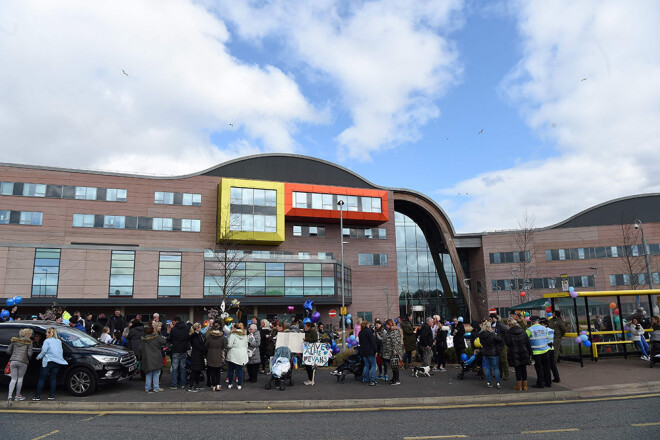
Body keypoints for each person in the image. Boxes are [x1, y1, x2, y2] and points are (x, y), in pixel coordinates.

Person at [33, 327, 68, 401]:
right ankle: (52, 395)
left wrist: (38, 357)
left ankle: (37, 396)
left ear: (49, 333)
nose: (45, 334)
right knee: (53, 378)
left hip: (48, 361)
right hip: (57, 361)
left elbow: (44, 350)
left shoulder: (47, 341)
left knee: (42, 378)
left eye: (46, 332)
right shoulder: (58, 341)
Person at [6, 328, 33, 406]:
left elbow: (8, 351)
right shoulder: (29, 342)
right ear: (28, 334)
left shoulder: (14, 341)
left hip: (13, 361)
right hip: (23, 362)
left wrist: (14, 355)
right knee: (20, 378)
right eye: (30, 334)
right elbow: (29, 354)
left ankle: (9, 396)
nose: (31, 335)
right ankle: (17, 396)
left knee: (13, 379)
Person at [505, 317, 532, 391]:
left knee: (517, 369)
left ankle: (519, 386)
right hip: (524, 351)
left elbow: (508, 343)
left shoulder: (508, 333)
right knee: (524, 369)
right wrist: (530, 352)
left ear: (510, 325)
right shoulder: (523, 331)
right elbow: (527, 343)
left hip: (514, 352)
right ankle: (525, 386)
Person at [527, 316, 552, 389]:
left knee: (539, 368)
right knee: (547, 367)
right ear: (538, 320)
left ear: (531, 321)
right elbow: (547, 337)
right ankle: (548, 383)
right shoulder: (544, 328)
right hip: (545, 350)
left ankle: (540, 383)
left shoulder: (529, 330)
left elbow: (526, 339)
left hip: (536, 352)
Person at [140, 324, 166, 393]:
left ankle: (147, 388)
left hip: (147, 358)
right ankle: (156, 388)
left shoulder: (143, 340)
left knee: (148, 373)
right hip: (156, 357)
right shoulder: (156, 337)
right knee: (156, 373)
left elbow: (140, 349)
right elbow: (164, 342)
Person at [478, 321, 503, 389]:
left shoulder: (481, 335)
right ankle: (498, 383)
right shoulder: (492, 334)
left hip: (485, 352)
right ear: (490, 327)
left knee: (488, 368)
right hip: (493, 352)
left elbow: (481, 343)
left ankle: (489, 382)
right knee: (496, 368)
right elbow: (499, 340)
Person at [168, 316, 191, 390]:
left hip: (175, 350)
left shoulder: (174, 329)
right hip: (184, 350)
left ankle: (174, 384)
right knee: (183, 367)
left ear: (175, 321)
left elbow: (170, 339)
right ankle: (183, 383)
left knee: (174, 368)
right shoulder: (186, 328)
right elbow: (190, 327)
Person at [226, 323, 248, 389]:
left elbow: (230, 345)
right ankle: (239, 385)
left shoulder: (233, 335)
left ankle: (230, 384)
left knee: (231, 370)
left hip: (233, 353)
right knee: (239, 370)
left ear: (235, 328)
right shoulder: (245, 335)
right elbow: (246, 345)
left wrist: (226, 347)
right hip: (242, 353)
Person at [205, 322, 226, 391]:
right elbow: (224, 345)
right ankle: (218, 385)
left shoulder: (209, 336)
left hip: (211, 354)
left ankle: (213, 386)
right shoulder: (222, 337)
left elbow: (206, 345)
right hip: (218, 354)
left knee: (212, 371)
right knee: (218, 371)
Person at [382, 319, 402, 385]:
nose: (386, 326)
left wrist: (395, 350)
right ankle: (394, 378)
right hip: (390, 351)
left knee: (395, 365)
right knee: (393, 366)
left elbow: (395, 341)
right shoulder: (390, 331)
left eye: (387, 324)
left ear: (390, 324)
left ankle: (397, 379)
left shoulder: (394, 331)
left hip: (393, 351)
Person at [358, 321, 378, 385]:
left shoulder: (360, 332)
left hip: (363, 351)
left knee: (366, 365)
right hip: (370, 351)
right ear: (367, 325)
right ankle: (372, 380)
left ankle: (366, 378)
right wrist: (376, 350)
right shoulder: (369, 332)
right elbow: (372, 342)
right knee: (373, 365)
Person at [540, 318, 561, 383]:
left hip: (546, 349)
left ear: (543, 323)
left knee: (545, 365)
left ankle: (545, 379)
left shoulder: (544, 330)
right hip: (551, 348)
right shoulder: (551, 330)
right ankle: (557, 378)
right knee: (552, 365)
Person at [188, 323, 207, 392]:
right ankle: (191, 386)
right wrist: (204, 350)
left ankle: (196, 384)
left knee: (198, 370)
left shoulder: (199, 334)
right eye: (200, 327)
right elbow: (197, 345)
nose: (201, 329)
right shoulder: (194, 336)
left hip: (199, 354)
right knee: (194, 370)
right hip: (196, 355)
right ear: (197, 328)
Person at [302, 321, 319, 385]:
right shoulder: (306, 332)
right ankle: (310, 379)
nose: (305, 328)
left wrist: (306, 339)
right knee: (307, 365)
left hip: (311, 350)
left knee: (309, 365)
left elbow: (315, 339)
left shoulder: (313, 332)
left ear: (309, 327)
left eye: (306, 327)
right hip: (307, 350)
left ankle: (311, 379)